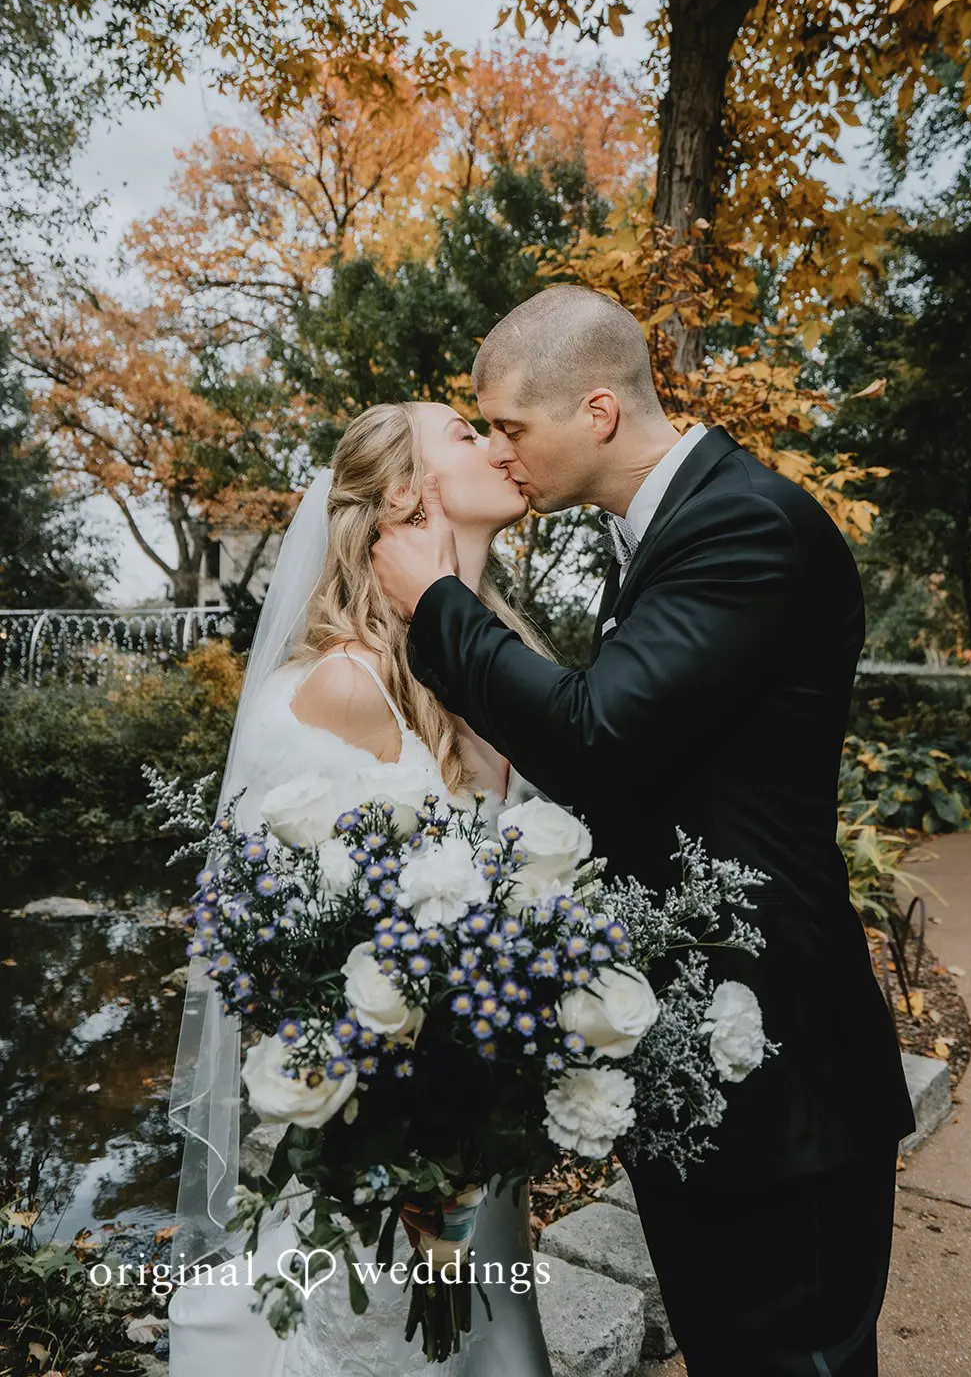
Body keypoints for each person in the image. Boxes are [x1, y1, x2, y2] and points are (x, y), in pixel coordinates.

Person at [370, 283, 918, 1377]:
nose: (501, 451)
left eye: (510, 426)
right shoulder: (667, 531)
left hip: (781, 1079)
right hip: (703, 1069)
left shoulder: (743, 524)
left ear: (598, 411)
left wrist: (435, 602)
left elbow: (598, 734)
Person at [166, 401, 555, 1377]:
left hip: (479, 1118)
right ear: (402, 496)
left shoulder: (499, 658)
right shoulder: (345, 685)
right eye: (464, 431)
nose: (496, 443)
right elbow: (280, 945)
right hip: (392, 1144)